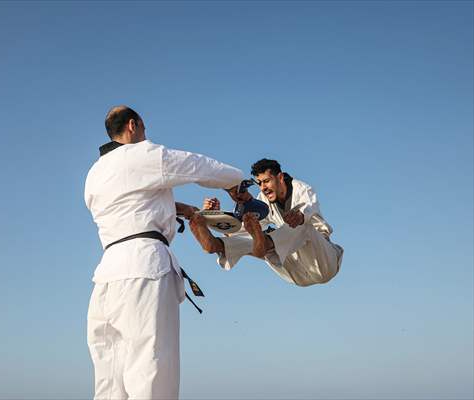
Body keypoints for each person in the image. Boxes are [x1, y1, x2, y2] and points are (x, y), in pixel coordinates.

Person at [84, 105, 244, 400]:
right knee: (151, 372)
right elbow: (196, 165)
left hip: (106, 279)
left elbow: (129, 207)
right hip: (143, 270)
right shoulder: (143, 154)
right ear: (133, 125)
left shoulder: (95, 174)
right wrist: (235, 181)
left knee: (110, 383)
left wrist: (176, 208)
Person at [189, 158, 343, 287]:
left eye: (267, 181)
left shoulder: (302, 189)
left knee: (300, 226)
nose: (263, 188)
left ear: (280, 177)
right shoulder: (265, 200)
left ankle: (266, 242)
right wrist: (215, 217)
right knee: (253, 233)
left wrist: (300, 216)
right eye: (260, 183)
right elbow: (241, 230)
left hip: (322, 261)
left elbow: (309, 209)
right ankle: (217, 245)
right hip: (297, 271)